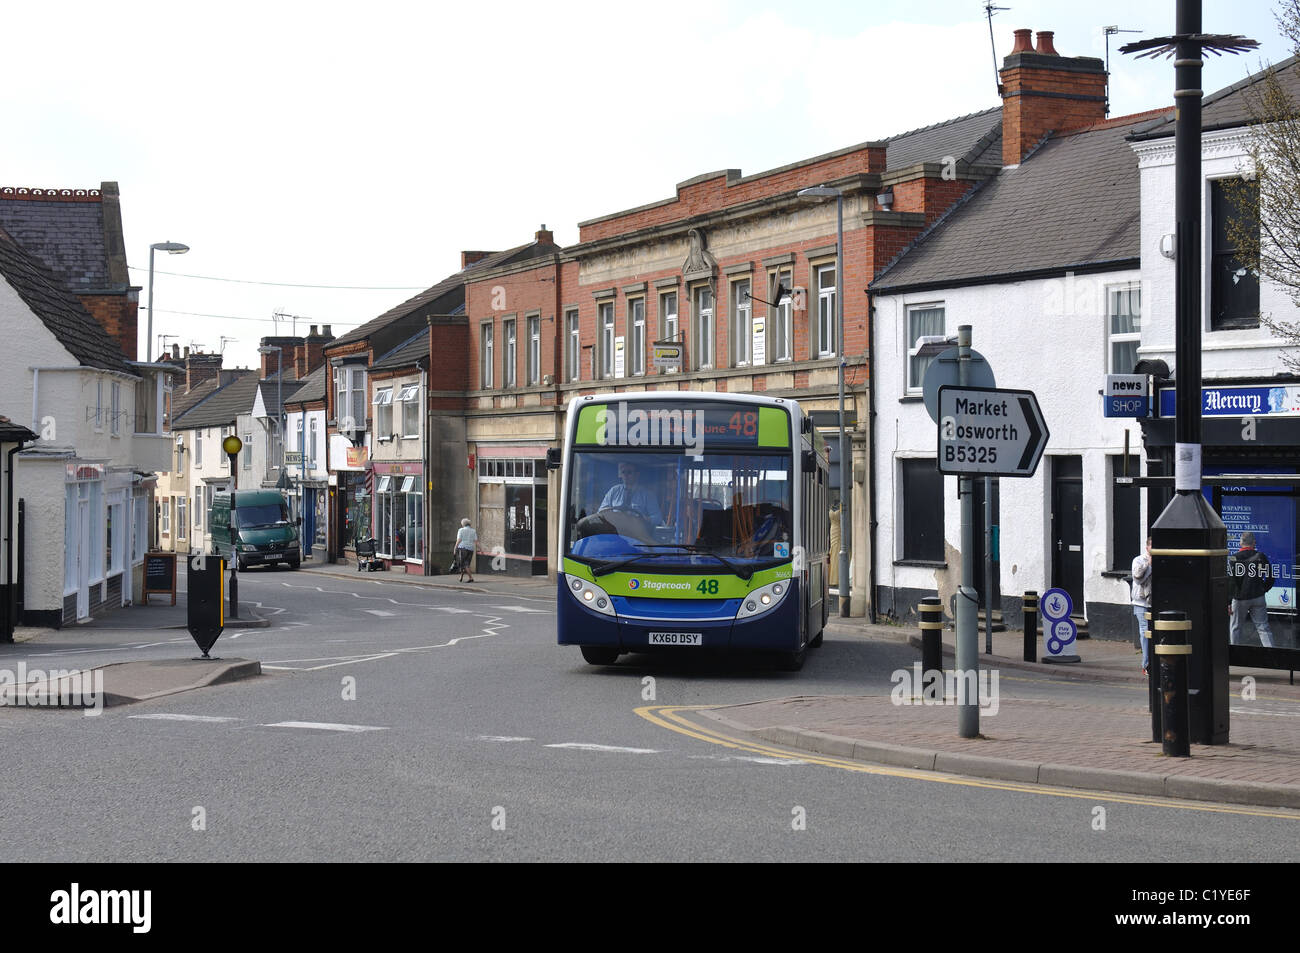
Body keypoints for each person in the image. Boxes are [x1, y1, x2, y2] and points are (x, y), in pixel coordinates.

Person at [1230, 531, 1274, 648]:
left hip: (1240, 599)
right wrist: (1263, 589)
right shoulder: (1261, 556)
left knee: (1236, 628)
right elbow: (1270, 577)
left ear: (1241, 543)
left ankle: (1235, 655)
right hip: (1258, 597)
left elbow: (1231, 582)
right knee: (1263, 628)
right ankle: (1272, 655)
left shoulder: (1234, 558)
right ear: (1253, 543)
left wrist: (1228, 601)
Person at [599, 461, 664, 525]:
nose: (625, 475)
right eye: (623, 472)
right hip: (615, 531)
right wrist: (613, 515)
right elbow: (601, 511)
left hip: (637, 533)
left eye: (629, 472)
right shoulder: (613, 491)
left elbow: (657, 518)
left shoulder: (648, 495)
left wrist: (642, 519)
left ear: (637, 474)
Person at [1131, 536, 1153, 675]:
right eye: (1152, 546)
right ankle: (1146, 665)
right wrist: (1149, 565)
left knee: (1154, 634)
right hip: (1141, 602)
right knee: (1145, 633)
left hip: (1154, 602)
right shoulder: (1139, 560)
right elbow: (1138, 579)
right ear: (1147, 547)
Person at [453, 518, 477, 583]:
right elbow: (475, 541)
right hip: (471, 549)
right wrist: (481, 549)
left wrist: (455, 548)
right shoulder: (473, 531)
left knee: (464, 564)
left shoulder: (461, 530)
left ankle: (471, 578)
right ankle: (461, 576)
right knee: (466, 564)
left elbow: (459, 540)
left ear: (463, 524)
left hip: (463, 548)